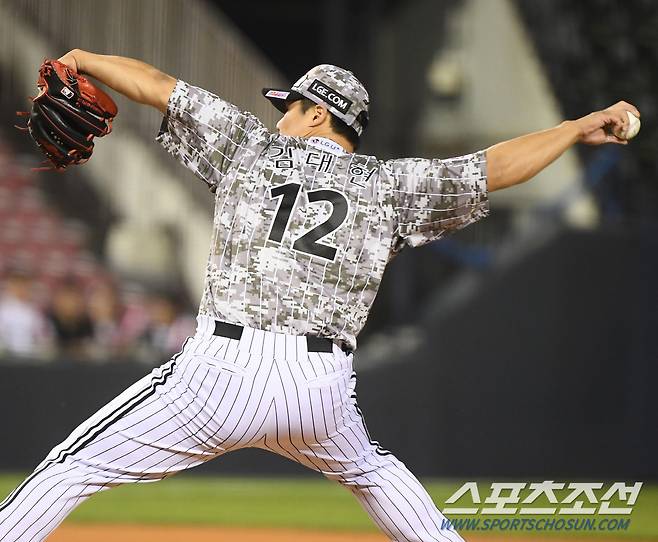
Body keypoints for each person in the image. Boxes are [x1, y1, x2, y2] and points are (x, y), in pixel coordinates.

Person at [0, 49, 639, 542]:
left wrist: (82, 61)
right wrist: (574, 128)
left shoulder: (252, 148)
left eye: (290, 105)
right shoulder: (388, 186)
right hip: (319, 386)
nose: (280, 115)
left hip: (221, 372)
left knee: (71, 466)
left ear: (316, 113)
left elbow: (157, 86)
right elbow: (493, 168)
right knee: (372, 471)